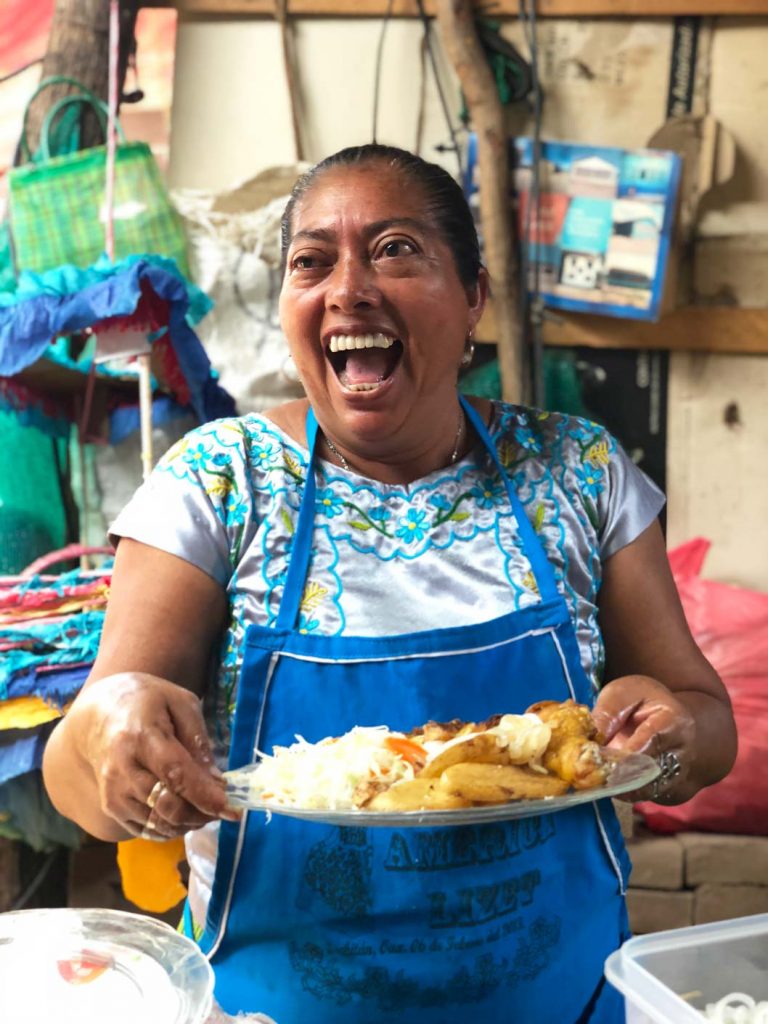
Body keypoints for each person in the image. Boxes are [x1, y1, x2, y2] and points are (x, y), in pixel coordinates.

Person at [42, 144, 737, 1024]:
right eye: (311, 261)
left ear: (474, 296)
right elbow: (76, 777)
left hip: (564, 1004)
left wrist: (669, 740)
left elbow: (707, 725)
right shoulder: (218, 483)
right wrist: (110, 738)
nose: (349, 289)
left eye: (396, 249)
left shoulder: (580, 472)